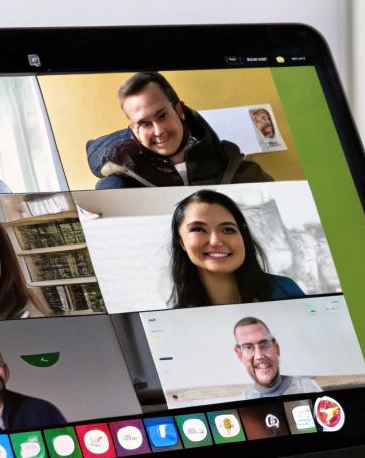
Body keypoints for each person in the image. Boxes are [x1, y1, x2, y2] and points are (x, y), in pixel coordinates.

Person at [86, 72, 273, 188]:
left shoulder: (240, 170)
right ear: (133, 131)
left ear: (180, 111)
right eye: (144, 124)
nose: (158, 131)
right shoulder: (124, 174)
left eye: (162, 116)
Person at [169, 190, 305, 308]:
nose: (215, 241)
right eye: (198, 229)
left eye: (228, 230)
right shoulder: (175, 320)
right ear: (181, 241)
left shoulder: (286, 290)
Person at [234, 317, 322, 399]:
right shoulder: (244, 399)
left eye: (264, 345)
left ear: (276, 348)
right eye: (248, 347)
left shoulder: (307, 388)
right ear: (240, 355)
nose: (259, 356)